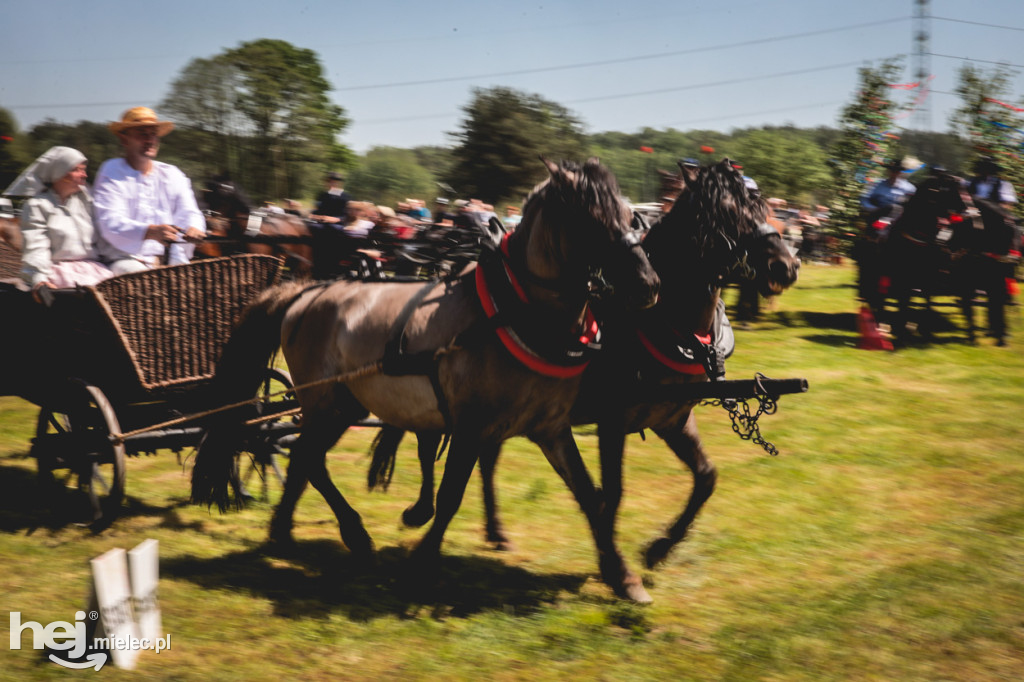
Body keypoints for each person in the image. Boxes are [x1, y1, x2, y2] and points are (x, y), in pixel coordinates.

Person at [93, 107, 206, 273]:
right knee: (135, 275)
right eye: (142, 134)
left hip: (171, 258)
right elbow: (110, 222)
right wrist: (149, 232)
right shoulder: (112, 170)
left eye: (153, 134)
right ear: (124, 139)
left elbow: (190, 211)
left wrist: (194, 227)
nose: (150, 140)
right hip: (125, 259)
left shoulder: (172, 174)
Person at [19, 146, 116, 301]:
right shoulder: (37, 206)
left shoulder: (88, 202)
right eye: (77, 170)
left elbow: (105, 239)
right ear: (59, 172)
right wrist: (39, 279)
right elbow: (36, 246)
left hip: (96, 270)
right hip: (59, 274)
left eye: (84, 169)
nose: (84, 175)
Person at [963, 157, 1020, 346]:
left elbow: (1007, 205)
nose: (985, 172)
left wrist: (989, 210)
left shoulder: (1003, 185)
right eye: (983, 169)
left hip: (995, 222)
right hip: (973, 221)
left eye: (988, 169)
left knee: (1014, 228)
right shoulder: (970, 183)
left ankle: (1012, 259)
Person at [860, 157, 917, 224]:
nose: (894, 174)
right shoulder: (877, 184)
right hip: (877, 215)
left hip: (896, 220)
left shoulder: (909, 188)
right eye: (892, 171)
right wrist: (873, 208)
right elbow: (864, 198)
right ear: (888, 172)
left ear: (900, 173)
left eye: (896, 171)